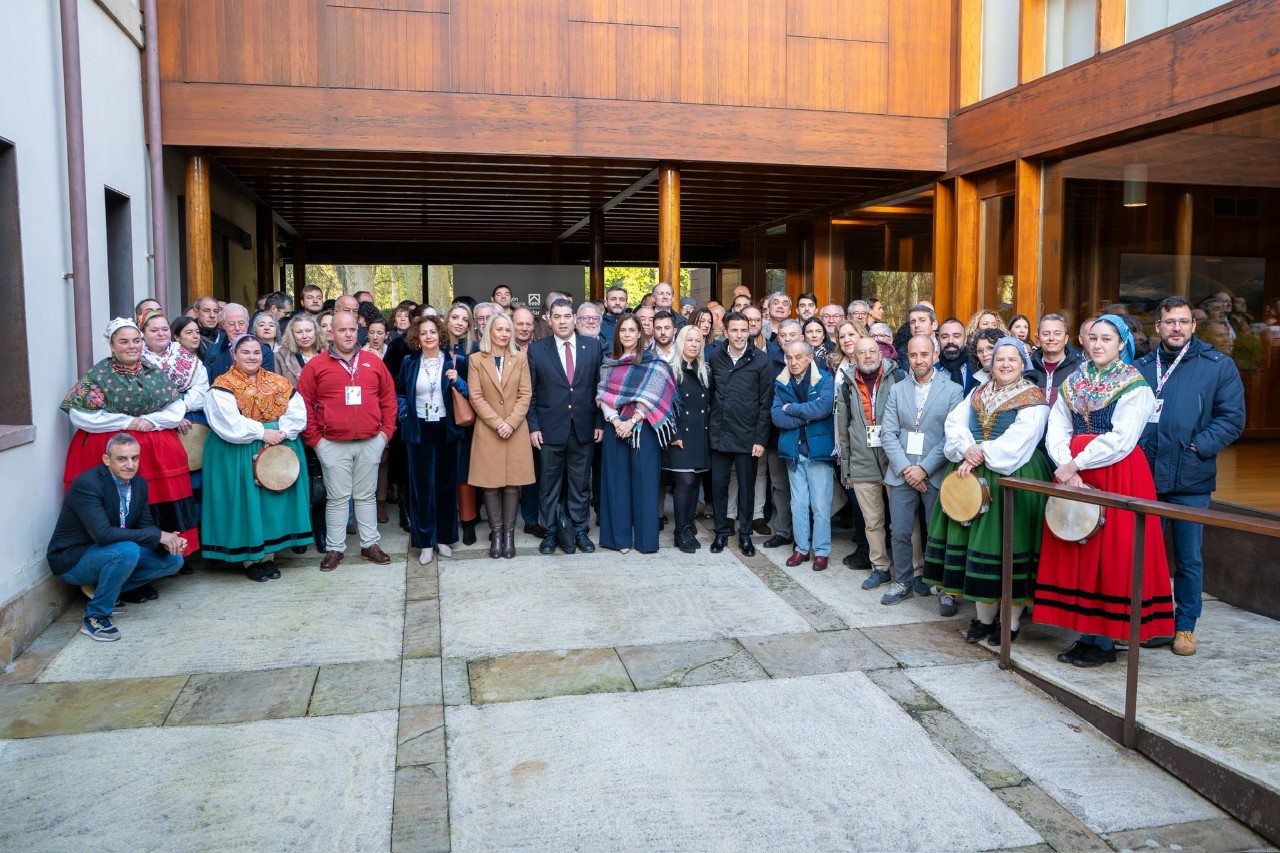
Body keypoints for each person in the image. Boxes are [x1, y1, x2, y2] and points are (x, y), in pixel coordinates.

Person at [1037, 315, 1174, 667]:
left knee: (1112, 554)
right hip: (1074, 471)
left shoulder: (1134, 385)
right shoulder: (1075, 381)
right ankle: (1086, 635)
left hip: (1115, 471)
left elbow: (1122, 439)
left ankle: (1105, 640)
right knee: (1079, 551)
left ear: (1121, 343)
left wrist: (1076, 464)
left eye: (1107, 339)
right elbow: (1058, 425)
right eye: (1093, 338)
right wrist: (1065, 465)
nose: (1098, 344)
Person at [1136, 296, 1245, 656]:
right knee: (1144, 556)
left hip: (1191, 477)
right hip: (1146, 475)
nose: (1177, 328)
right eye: (1170, 322)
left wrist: (1197, 447)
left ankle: (1185, 626)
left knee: (1188, 558)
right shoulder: (1140, 367)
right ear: (1158, 326)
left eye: (1183, 321)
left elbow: (1232, 419)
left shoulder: (1218, 366)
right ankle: (1148, 622)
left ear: (1193, 325)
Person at [924, 337, 1052, 638]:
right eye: (1000, 359)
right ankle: (983, 619)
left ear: (1023, 364)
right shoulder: (978, 392)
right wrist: (967, 448)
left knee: (1009, 545)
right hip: (971, 473)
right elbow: (954, 424)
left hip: (1013, 477)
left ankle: (1010, 623)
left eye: (1012, 359)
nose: (1005, 365)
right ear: (991, 364)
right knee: (976, 546)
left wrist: (979, 452)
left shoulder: (1033, 397)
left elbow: (1021, 439)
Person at [61, 318, 201, 559]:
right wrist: (126, 422)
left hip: (158, 453)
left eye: (136, 341)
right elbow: (80, 414)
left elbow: (176, 407)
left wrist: (152, 421)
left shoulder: (153, 372)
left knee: (161, 498)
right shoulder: (99, 376)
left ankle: (169, 553)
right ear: (112, 345)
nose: (131, 346)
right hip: (115, 450)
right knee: (120, 501)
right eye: (124, 342)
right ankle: (123, 557)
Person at [47, 433, 187, 640]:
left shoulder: (139, 484)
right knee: (127, 550)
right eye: (122, 459)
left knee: (173, 560)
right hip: (73, 559)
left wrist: (163, 543)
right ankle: (95, 617)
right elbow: (103, 535)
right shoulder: (88, 484)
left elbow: (145, 525)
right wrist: (158, 535)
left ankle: (101, 588)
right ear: (107, 459)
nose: (130, 465)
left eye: (135, 458)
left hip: (112, 552)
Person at [202, 335, 311, 581]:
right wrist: (262, 433)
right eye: (245, 352)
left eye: (256, 352)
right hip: (240, 450)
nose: (251, 357)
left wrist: (282, 432)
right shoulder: (222, 385)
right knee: (245, 502)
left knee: (270, 503)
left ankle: (269, 556)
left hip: (277, 444)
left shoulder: (278, 382)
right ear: (234, 355)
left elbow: (297, 411)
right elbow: (228, 422)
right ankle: (249, 559)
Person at [298, 311, 398, 571]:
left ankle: (370, 544)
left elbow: (389, 399)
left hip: (370, 441)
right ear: (331, 333)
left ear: (358, 331)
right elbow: (303, 405)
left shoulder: (373, 362)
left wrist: (385, 435)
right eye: (342, 330)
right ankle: (335, 548)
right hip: (331, 444)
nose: (348, 334)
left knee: (366, 496)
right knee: (337, 498)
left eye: (352, 330)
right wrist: (316, 441)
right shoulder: (316, 365)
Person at [877, 335, 965, 607]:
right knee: (899, 531)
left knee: (940, 533)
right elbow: (888, 433)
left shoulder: (953, 390)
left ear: (935, 355)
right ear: (908, 357)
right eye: (913, 355)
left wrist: (924, 469)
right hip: (902, 472)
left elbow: (951, 437)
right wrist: (907, 469)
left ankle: (944, 587)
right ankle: (903, 581)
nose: (919, 360)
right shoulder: (897, 390)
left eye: (924, 354)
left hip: (935, 473)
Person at [528, 299, 605, 555]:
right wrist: (533, 426)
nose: (562, 321)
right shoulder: (537, 350)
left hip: (584, 428)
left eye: (567, 316)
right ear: (549, 319)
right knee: (548, 485)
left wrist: (599, 422)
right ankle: (550, 532)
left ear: (575, 319)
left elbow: (599, 388)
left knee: (580, 484)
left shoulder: (592, 347)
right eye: (557, 316)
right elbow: (531, 393)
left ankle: (580, 530)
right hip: (549, 430)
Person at [597, 314, 679, 554]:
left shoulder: (654, 363)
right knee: (617, 484)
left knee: (646, 485)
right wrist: (616, 421)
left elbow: (656, 395)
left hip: (644, 428)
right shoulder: (608, 363)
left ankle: (646, 541)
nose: (627, 334)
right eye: (623, 330)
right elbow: (602, 396)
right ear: (617, 334)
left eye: (632, 330)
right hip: (615, 428)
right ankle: (619, 540)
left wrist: (632, 420)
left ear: (640, 333)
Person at [397, 315, 469, 564]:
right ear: (417, 338)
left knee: (446, 487)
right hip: (419, 429)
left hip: (446, 428)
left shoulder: (456, 361)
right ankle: (425, 542)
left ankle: (444, 538)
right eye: (423, 333)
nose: (429, 337)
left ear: (440, 335)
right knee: (421, 489)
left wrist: (457, 380)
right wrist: (405, 416)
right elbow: (400, 393)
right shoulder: (409, 362)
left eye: (433, 332)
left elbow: (470, 393)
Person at [835, 334, 903, 589]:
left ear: (880, 353)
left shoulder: (898, 377)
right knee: (872, 522)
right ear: (854, 357)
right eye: (861, 352)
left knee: (904, 522)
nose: (867, 356)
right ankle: (880, 568)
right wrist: (846, 466)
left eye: (872, 351)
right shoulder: (847, 384)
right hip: (862, 462)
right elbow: (843, 429)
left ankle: (914, 570)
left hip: (894, 460)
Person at [467, 314, 535, 558]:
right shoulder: (476, 359)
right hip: (488, 429)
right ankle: (496, 535)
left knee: (512, 483)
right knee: (491, 484)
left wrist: (511, 422)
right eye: (500, 329)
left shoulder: (520, 358)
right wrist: (498, 423)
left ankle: (509, 536)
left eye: (508, 330)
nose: (504, 334)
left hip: (515, 429)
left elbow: (525, 394)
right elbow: (475, 396)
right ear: (489, 332)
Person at [707, 311, 773, 556]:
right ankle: (721, 532)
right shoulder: (716, 356)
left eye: (743, 330)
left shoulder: (761, 360)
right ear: (725, 332)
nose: (739, 335)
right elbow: (711, 394)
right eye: (734, 330)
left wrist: (760, 439)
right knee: (718, 486)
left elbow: (766, 403)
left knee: (746, 488)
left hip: (747, 435)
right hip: (720, 432)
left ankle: (745, 535)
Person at [772, 340, 837, 571]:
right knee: (798, 503)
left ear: (810, 358)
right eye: (789, 357)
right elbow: (777, 416)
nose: (793, 362)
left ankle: (821, 551)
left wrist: (792, 409)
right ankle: (801, 549)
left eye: (798, 357)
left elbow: (823, 409)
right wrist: (807, 417)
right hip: (793, 451)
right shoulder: (782, 382)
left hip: (818, 451)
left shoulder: (825, 379)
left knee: (820, 505)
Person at [662, 325, 712, 553]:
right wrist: (673, 434)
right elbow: (663, 406)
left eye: (698, 340)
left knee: (695, 483)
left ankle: (689, 526)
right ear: (681, 342)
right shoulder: (670, 370)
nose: (694, 344)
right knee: (685, 482)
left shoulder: (705, 370)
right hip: (680, 436)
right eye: (689, 340)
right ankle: (680, 531)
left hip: (699, 434)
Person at [206, 303, 276, 381]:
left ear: (248, 322)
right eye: (232, 324)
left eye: (241, 323)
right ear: (223, 325)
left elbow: (267, 383)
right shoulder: (212, 352)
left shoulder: (263, 350)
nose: (237, 328)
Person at [1027, 313, 1081, 406]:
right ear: (1038, 338)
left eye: (1057, 334)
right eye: (1046, 334)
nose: (1051, 338)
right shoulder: (1028, 367)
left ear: (1066, 338)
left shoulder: (1079, 369)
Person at [277, 313, 322, 388]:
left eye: (308, 331)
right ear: (292, 335)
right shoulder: (281, 357)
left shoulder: (328, 353)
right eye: (299, 332)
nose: (304, 336)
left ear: (316, 332)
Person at [934, 318, 970, 388]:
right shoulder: (932, 371)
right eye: (945, 337)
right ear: (938, 341)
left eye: (956, 336)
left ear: (965, 339)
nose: (950, 341)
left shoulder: (977, 368)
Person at [966, 328, 1002, 393]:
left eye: (990, 348)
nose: (985, 354)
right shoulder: (977, 383)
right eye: (980, 350)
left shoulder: (1012, 378)